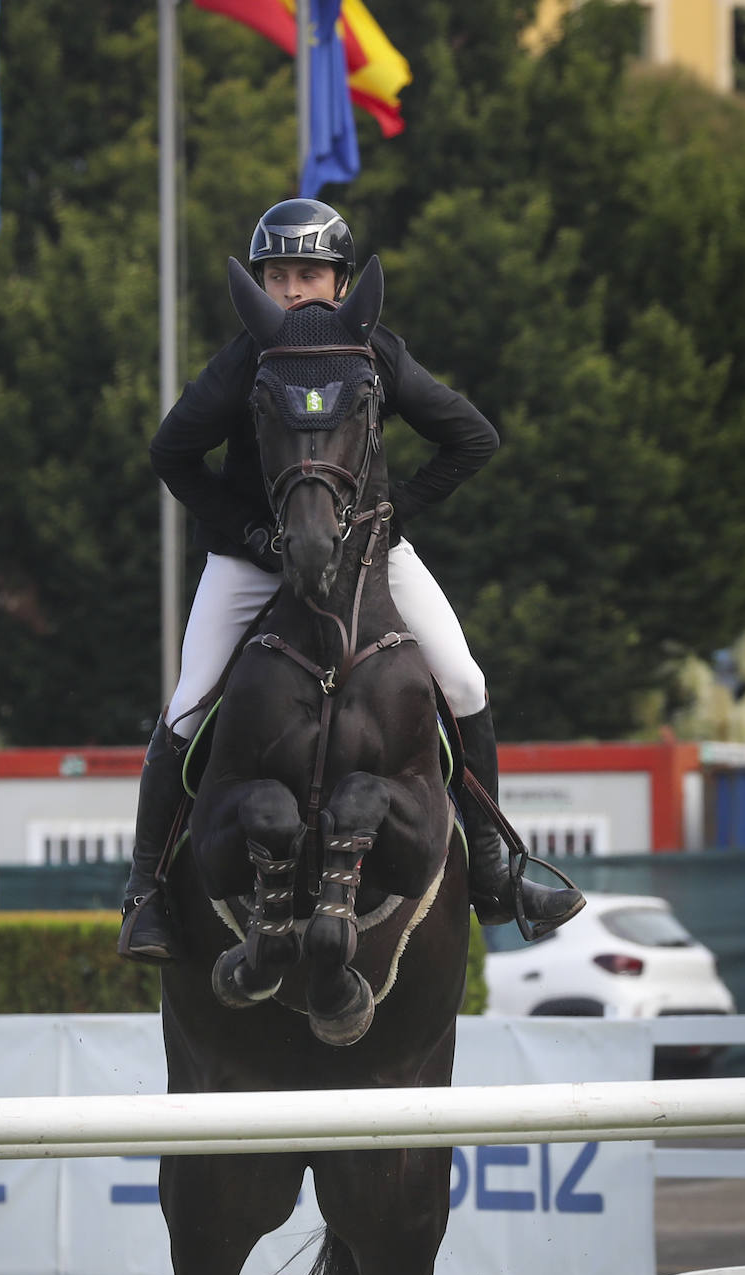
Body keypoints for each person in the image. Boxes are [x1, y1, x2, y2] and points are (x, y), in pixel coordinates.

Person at [118, 198, 584, 963]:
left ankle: (499, 872)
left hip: (368, 552)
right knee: (188, 701)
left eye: (309, 274)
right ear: (261, 286)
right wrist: (249, 535)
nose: (294, 290)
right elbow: (171, 454)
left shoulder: (378, 355)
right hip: (251, 560)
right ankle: (145, 896)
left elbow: (473, 436)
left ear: (339, 284)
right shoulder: (245, 361)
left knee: (463, 682)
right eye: (278, 276)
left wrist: (394, 516)